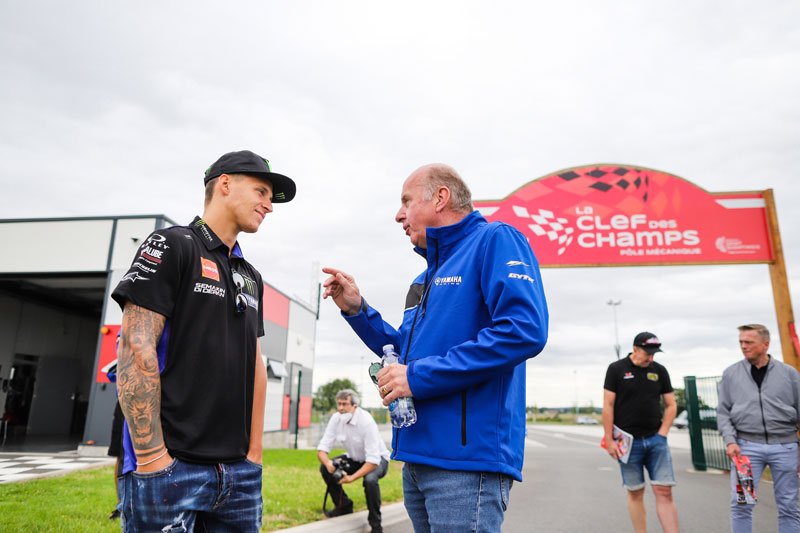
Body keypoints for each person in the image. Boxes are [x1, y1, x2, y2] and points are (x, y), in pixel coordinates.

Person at [322, 163, 548, 532]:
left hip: (466, 466)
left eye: (406, 201)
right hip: (417, 460)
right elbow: (405, 353)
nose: (399, 215)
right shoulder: (424, 277)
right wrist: (358, 311)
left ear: (441, 197)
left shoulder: (495, 240)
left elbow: (523, 330)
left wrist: (417, 377)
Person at [112, 150, 295, 532]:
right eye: (261, 192)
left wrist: (254, 454)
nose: (269, 205)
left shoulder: (250, 276)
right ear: (225, 184)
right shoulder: (172, 245)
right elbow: (135, 347)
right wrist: (152, 457)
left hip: (239, 474)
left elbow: (255, 366)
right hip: (169, 468)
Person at [716, 323, 800, 533]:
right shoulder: (731, 374)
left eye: (749, 342)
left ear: (765, 344)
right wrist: (730, 441)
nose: (744, 346)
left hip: (786, 448)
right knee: (742, 504)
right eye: (741, 342)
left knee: (789, 506)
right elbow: (723, 412)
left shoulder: (789, 374)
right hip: (746, 450)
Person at [602, 332, 679, 533]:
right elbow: (608, 405)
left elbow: (671, 405)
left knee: (664, 491)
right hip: (628, 443)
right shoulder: (616, 369)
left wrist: (663, 433)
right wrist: (609, 439)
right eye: (647, 353)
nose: (651, 358)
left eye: (654, 354)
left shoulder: (659, 370)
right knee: (635, 492)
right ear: (635, 349)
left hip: (656, 440)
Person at [317, 389, 391, 533]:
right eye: (339, 404)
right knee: (324, 468)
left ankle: (376, 525)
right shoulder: (336, 419)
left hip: (378, 459)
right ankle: (344, 506)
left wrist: (351, 478)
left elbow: (373, 460)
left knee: (370, 480)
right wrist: (328, 463)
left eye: (344, 404)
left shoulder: (366, 421)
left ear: (355, 405)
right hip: (354, 458)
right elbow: (322, 448)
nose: (340, 408)